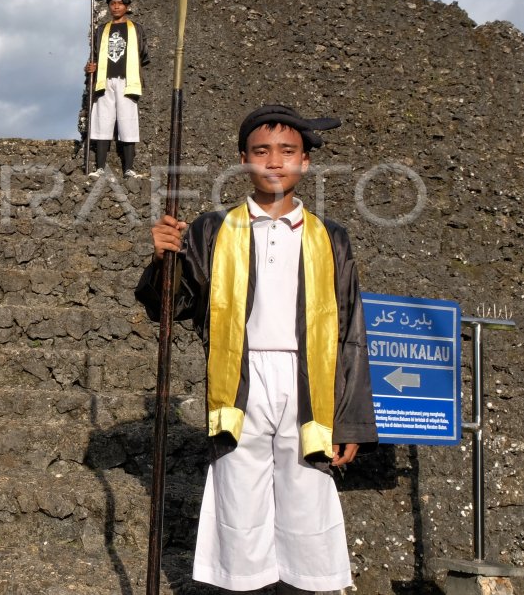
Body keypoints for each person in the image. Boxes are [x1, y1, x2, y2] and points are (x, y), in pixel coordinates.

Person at [135, 105, 377, 593]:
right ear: (243, 160)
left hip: (308, 382)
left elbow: (350, 327)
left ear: (305, 162)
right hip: (239, 382)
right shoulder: (212, 229)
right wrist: (164, 258)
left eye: (287, 151)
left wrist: (350, 420)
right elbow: (173, 304)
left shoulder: (331, 238)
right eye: (261, 151)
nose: (274, 161)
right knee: (238, 502)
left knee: (307, 498)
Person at [84, 0, 150, 178]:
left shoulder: (136, 29)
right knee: (102, 122)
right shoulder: (101, 30)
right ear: (109, 7)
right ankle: (100, 168)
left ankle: (129, 168)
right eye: (112, 4)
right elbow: (94, 55)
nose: (116, 7)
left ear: (126, 6)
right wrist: (88, 68)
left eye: (120, 3)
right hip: (104, 80)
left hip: (127, 81)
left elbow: (143, 55)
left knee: (127, 122)